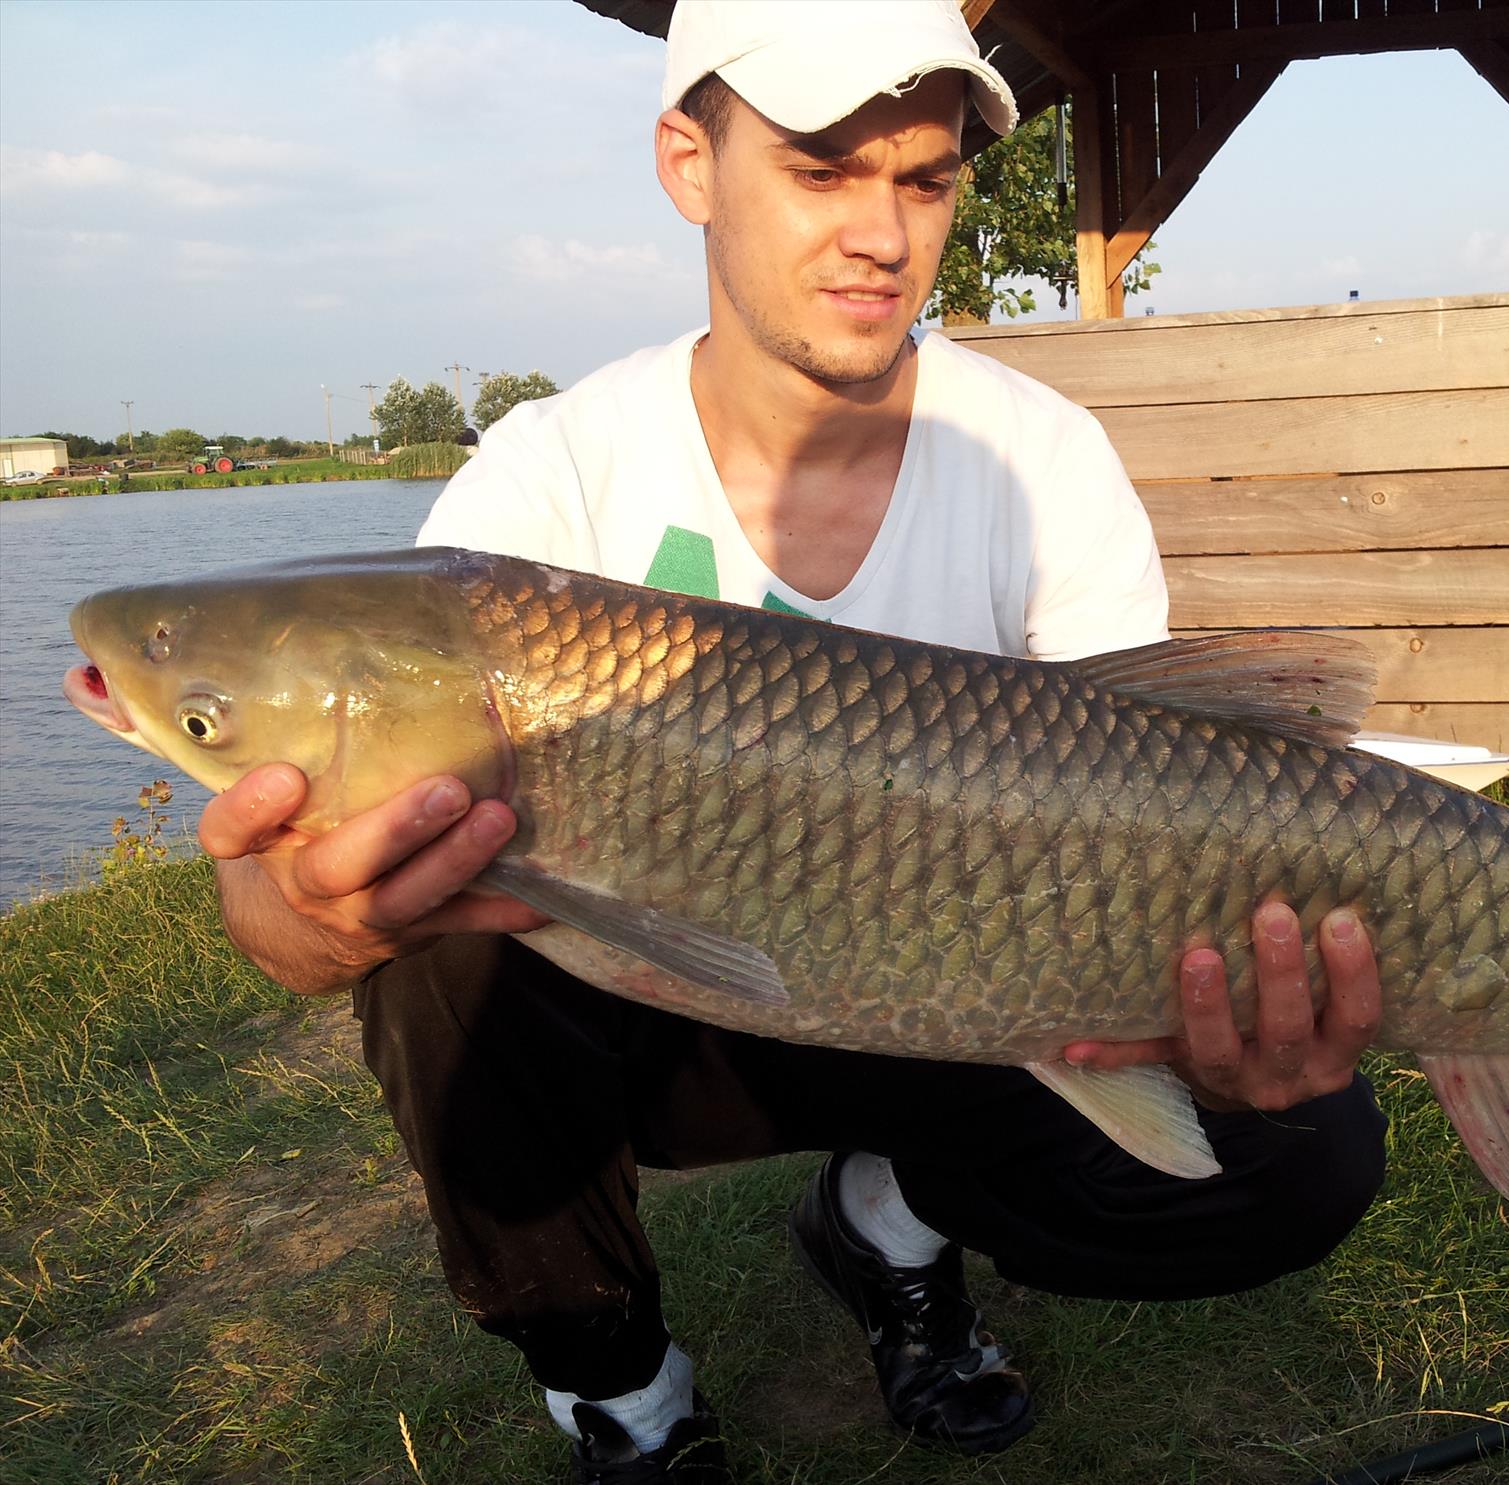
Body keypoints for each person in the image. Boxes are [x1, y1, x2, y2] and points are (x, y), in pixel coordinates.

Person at [197, 3, 1389, 1480]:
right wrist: (309, 909)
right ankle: (617, 1382)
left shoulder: (1038, 459)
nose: (882, 235)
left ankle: (888, 1221)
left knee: (1310, 1152)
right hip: (665, 997)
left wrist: (1222, 1026)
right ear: (689, 163)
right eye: (823, 170)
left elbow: (1148, 810)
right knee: (442, 926)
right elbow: (280, 904)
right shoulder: (554, 474)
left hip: (963, 988)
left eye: (925, 180)